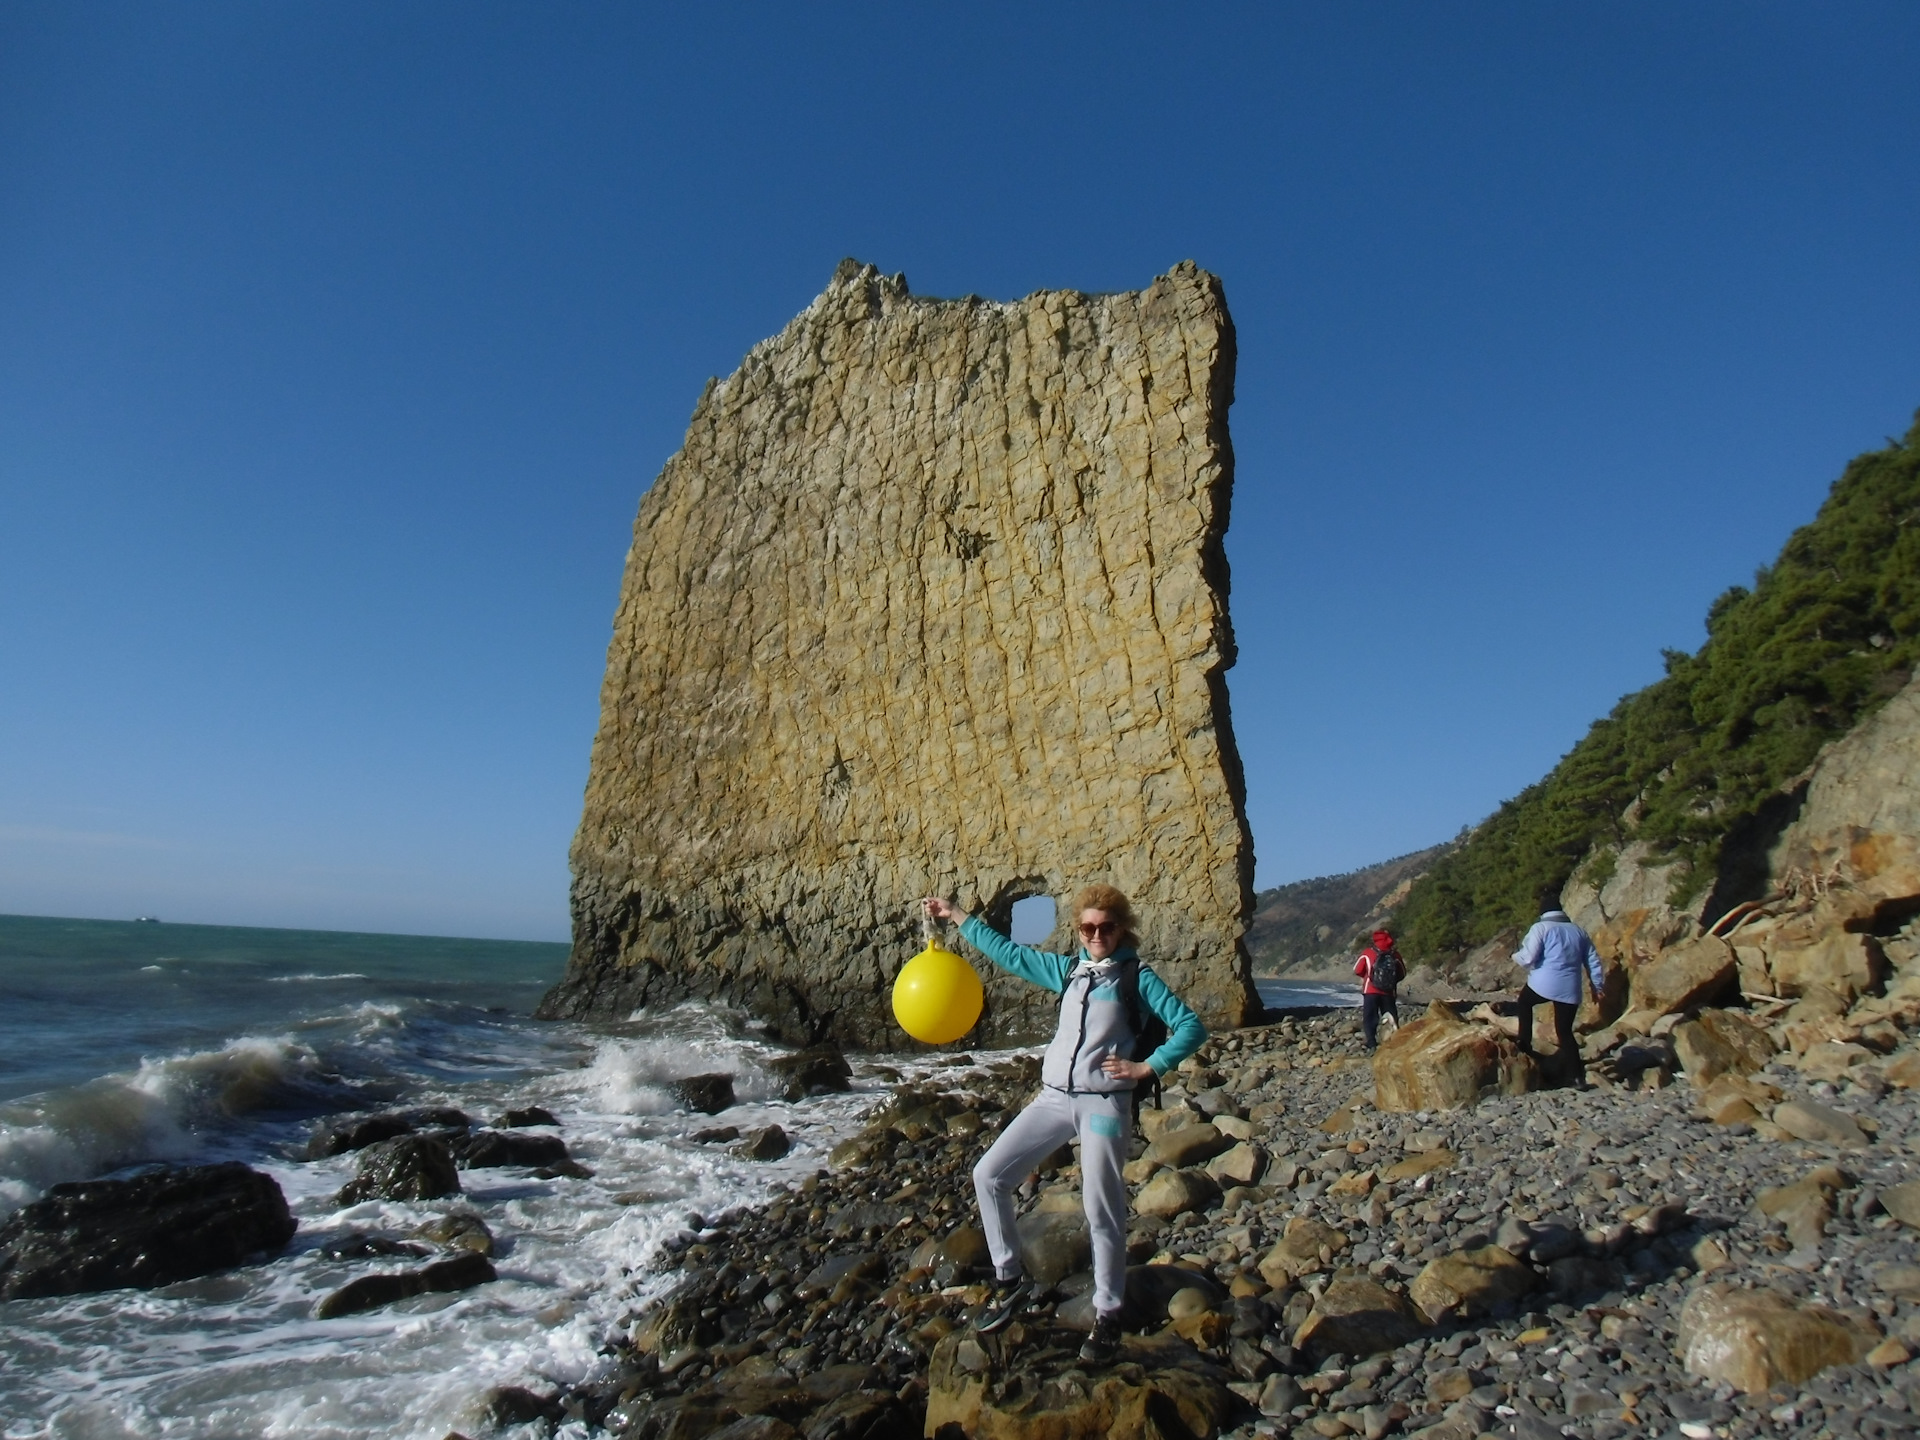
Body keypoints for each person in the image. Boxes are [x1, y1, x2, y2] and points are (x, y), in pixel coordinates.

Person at [921, 885, 1206, 1367]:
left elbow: (1190, 1026)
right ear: (1078, 929)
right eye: (1087, 927)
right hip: (1053, 1099)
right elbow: (1008, 952)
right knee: (989, 1176)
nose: (1096, 935)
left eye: (1106, 927)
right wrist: (956, 916)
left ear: (1122, 928)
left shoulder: (1139, 977)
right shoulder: (1068, 971)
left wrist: (1147, 1068)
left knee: (1103, 1209)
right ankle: (1010, 1280)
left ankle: (1108, 1316)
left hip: (1104, 1108)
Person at [1512, 899, 1606, 1083]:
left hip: (1544, 983)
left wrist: (1515, 956)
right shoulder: (1578, 931)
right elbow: (1593, 960)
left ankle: (1524, 1044)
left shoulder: (1541, 928)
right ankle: (1577, 1076)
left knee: (1524, 1003)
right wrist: (1597, 986)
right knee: (1564, 1031)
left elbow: (1528, 957)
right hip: (1570, 987)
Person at [1354, 928, 1403, 1051]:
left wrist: (1367, 977)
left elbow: (1357, 970)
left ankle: (1371, 1042)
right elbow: (1402, 973)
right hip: (1389, 992)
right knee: (1391, 1017)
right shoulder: (1395, 955)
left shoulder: (1368, 953)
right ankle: (1394, 1042)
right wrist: (1392, 981)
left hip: (1370, 991)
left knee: (1370, 1017)